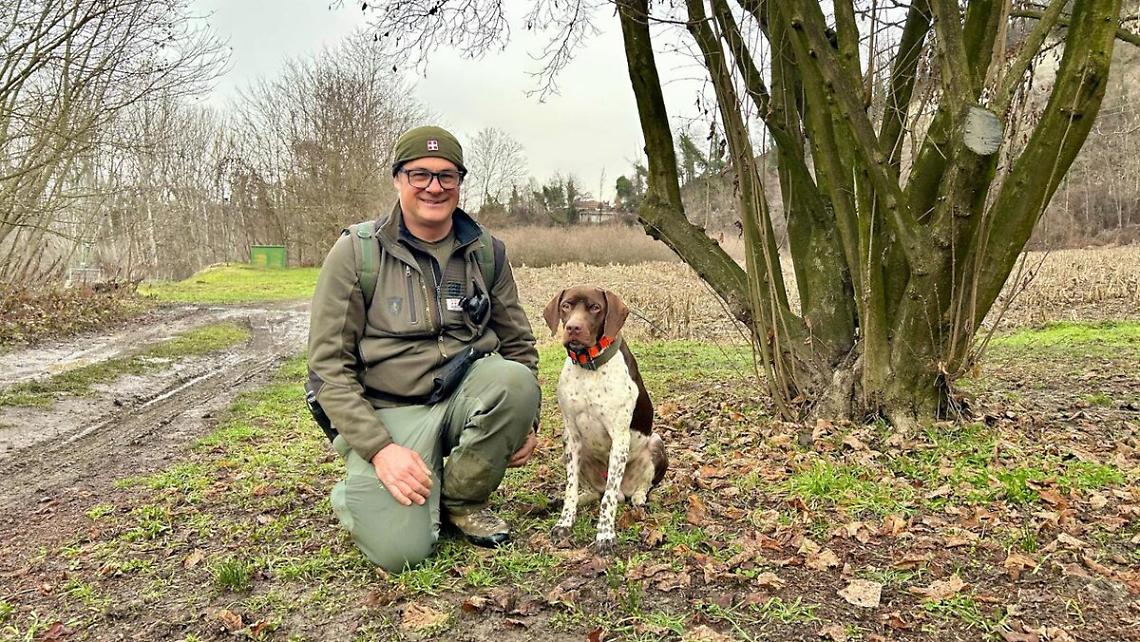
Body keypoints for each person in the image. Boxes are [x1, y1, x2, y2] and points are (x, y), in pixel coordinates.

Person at [307, 125, 541, 571]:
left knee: (514, 382)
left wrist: (527, 420)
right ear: (398, 179)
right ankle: (363, 490)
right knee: (402, 554)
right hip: (390, 412)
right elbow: (328, 371)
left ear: (459, 183)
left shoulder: (486, 251)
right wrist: (380, 450)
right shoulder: (357, 253)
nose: (434, 187)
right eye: (419, 175)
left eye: (446, 176)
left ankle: (460, 498)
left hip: (463, 398)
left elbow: (519, 344)